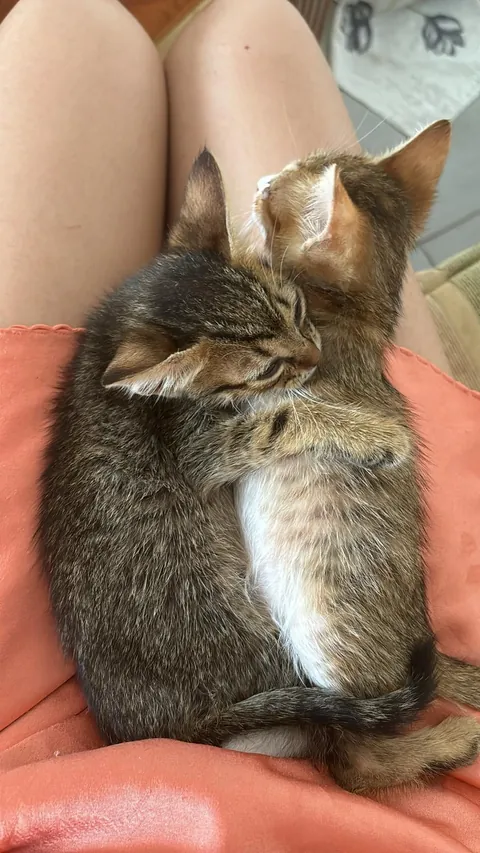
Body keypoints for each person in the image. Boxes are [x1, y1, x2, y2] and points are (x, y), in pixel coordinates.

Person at [0, 1, 478, 850]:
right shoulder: (177, 382)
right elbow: (216, 439)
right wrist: (326, 411)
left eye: (290, 306)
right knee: (246, 26)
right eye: (272, 354)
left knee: (73, 23)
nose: (301, 354)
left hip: (55, 747)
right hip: (219, 699)